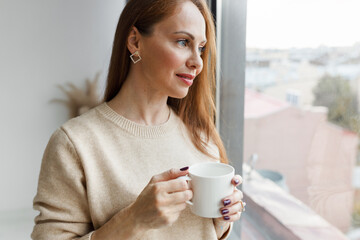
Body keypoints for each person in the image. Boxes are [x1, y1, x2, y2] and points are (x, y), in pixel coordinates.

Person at [31, 0, 244, 239]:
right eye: (183, 42)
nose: (198, 62)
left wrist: (223, 218)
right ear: (135, 41)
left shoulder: (202, 138)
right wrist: (133, 220)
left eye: (201, 48)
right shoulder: (75, 143)